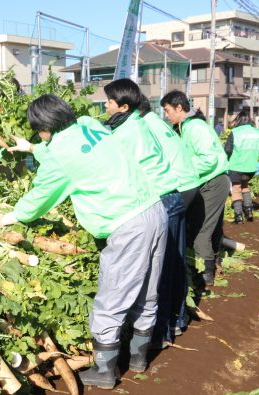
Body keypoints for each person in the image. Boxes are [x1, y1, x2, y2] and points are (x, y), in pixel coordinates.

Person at [0, 95, 167, 389]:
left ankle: (104, 373)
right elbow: (72, 152)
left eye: (38, 131)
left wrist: (14, 214)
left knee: (110, 299)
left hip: (126, 224)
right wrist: (32, 149)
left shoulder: (60, 155)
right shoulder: (89, 125)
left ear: (45, 128)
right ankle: (139, 358)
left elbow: (41, 195)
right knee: (148, 290)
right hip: (153, 209)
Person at [103, 79, 183, 354]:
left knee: (155, 277)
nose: (105, 106)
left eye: (109, 102)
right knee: (165, 269)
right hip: (170, 194)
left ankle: (158, 337)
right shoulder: (138, 123)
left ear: (123, 107)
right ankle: (165, 331)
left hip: (158, 199)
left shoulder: (127, 131)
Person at [138, 95, 200, 345]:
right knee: (175, 257)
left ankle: (164, 327)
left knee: (164, 261)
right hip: (185, 185)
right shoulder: (156, 122)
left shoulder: (144, 126)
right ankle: (177, 319)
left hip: (173, 190)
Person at [160, 90, 229, 290]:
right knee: (212, 227)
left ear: (179, 108)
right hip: (210, 181)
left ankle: (205, 277)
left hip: (212, 182)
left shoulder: (195, 127)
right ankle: (214, 265)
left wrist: (182, 170)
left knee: (200, 230)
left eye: (167, 110)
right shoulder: (186, 127)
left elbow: (208, 159)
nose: (166, 114)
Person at [225, 109, 259, 224]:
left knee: (236, 189)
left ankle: (238, 215)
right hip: (251, 167)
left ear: (239, 119)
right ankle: (249, 211)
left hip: (236, 166)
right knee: (245, 186)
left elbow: (227, 150)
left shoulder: (235, 132)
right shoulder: (257, 132)